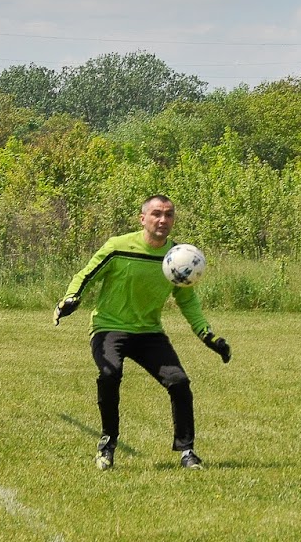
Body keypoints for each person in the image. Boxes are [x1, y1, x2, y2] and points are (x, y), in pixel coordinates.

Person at [53, 194, 232, 471]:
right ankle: (108, 443)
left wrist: (208, 336)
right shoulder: (118, 247)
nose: (163, 220)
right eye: (157, 214)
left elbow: (188, 301)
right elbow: (86, 275)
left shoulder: (177, 257)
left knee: (179, 383)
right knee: (110, 374)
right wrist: (70, 298)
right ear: (143, 219)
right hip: (109, 328)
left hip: (149, 333)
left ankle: (187, 451)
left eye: (169, 214)